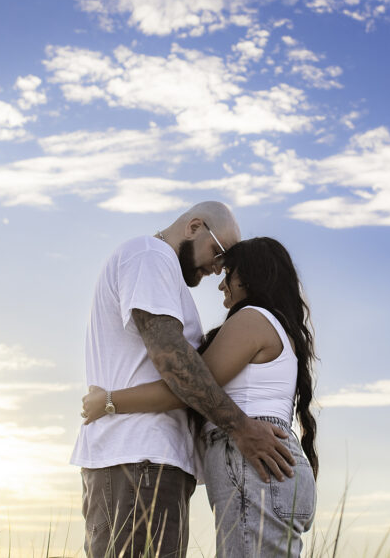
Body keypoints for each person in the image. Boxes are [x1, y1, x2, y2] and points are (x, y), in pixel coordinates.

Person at [70, 203, 296, 558]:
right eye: (219, 253)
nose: (218, 268)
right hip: (138, 458)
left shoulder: (164, 275)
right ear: (194, 227)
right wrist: (240, 426)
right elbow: (172, 359)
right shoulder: (149, 255)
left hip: (150, 463)